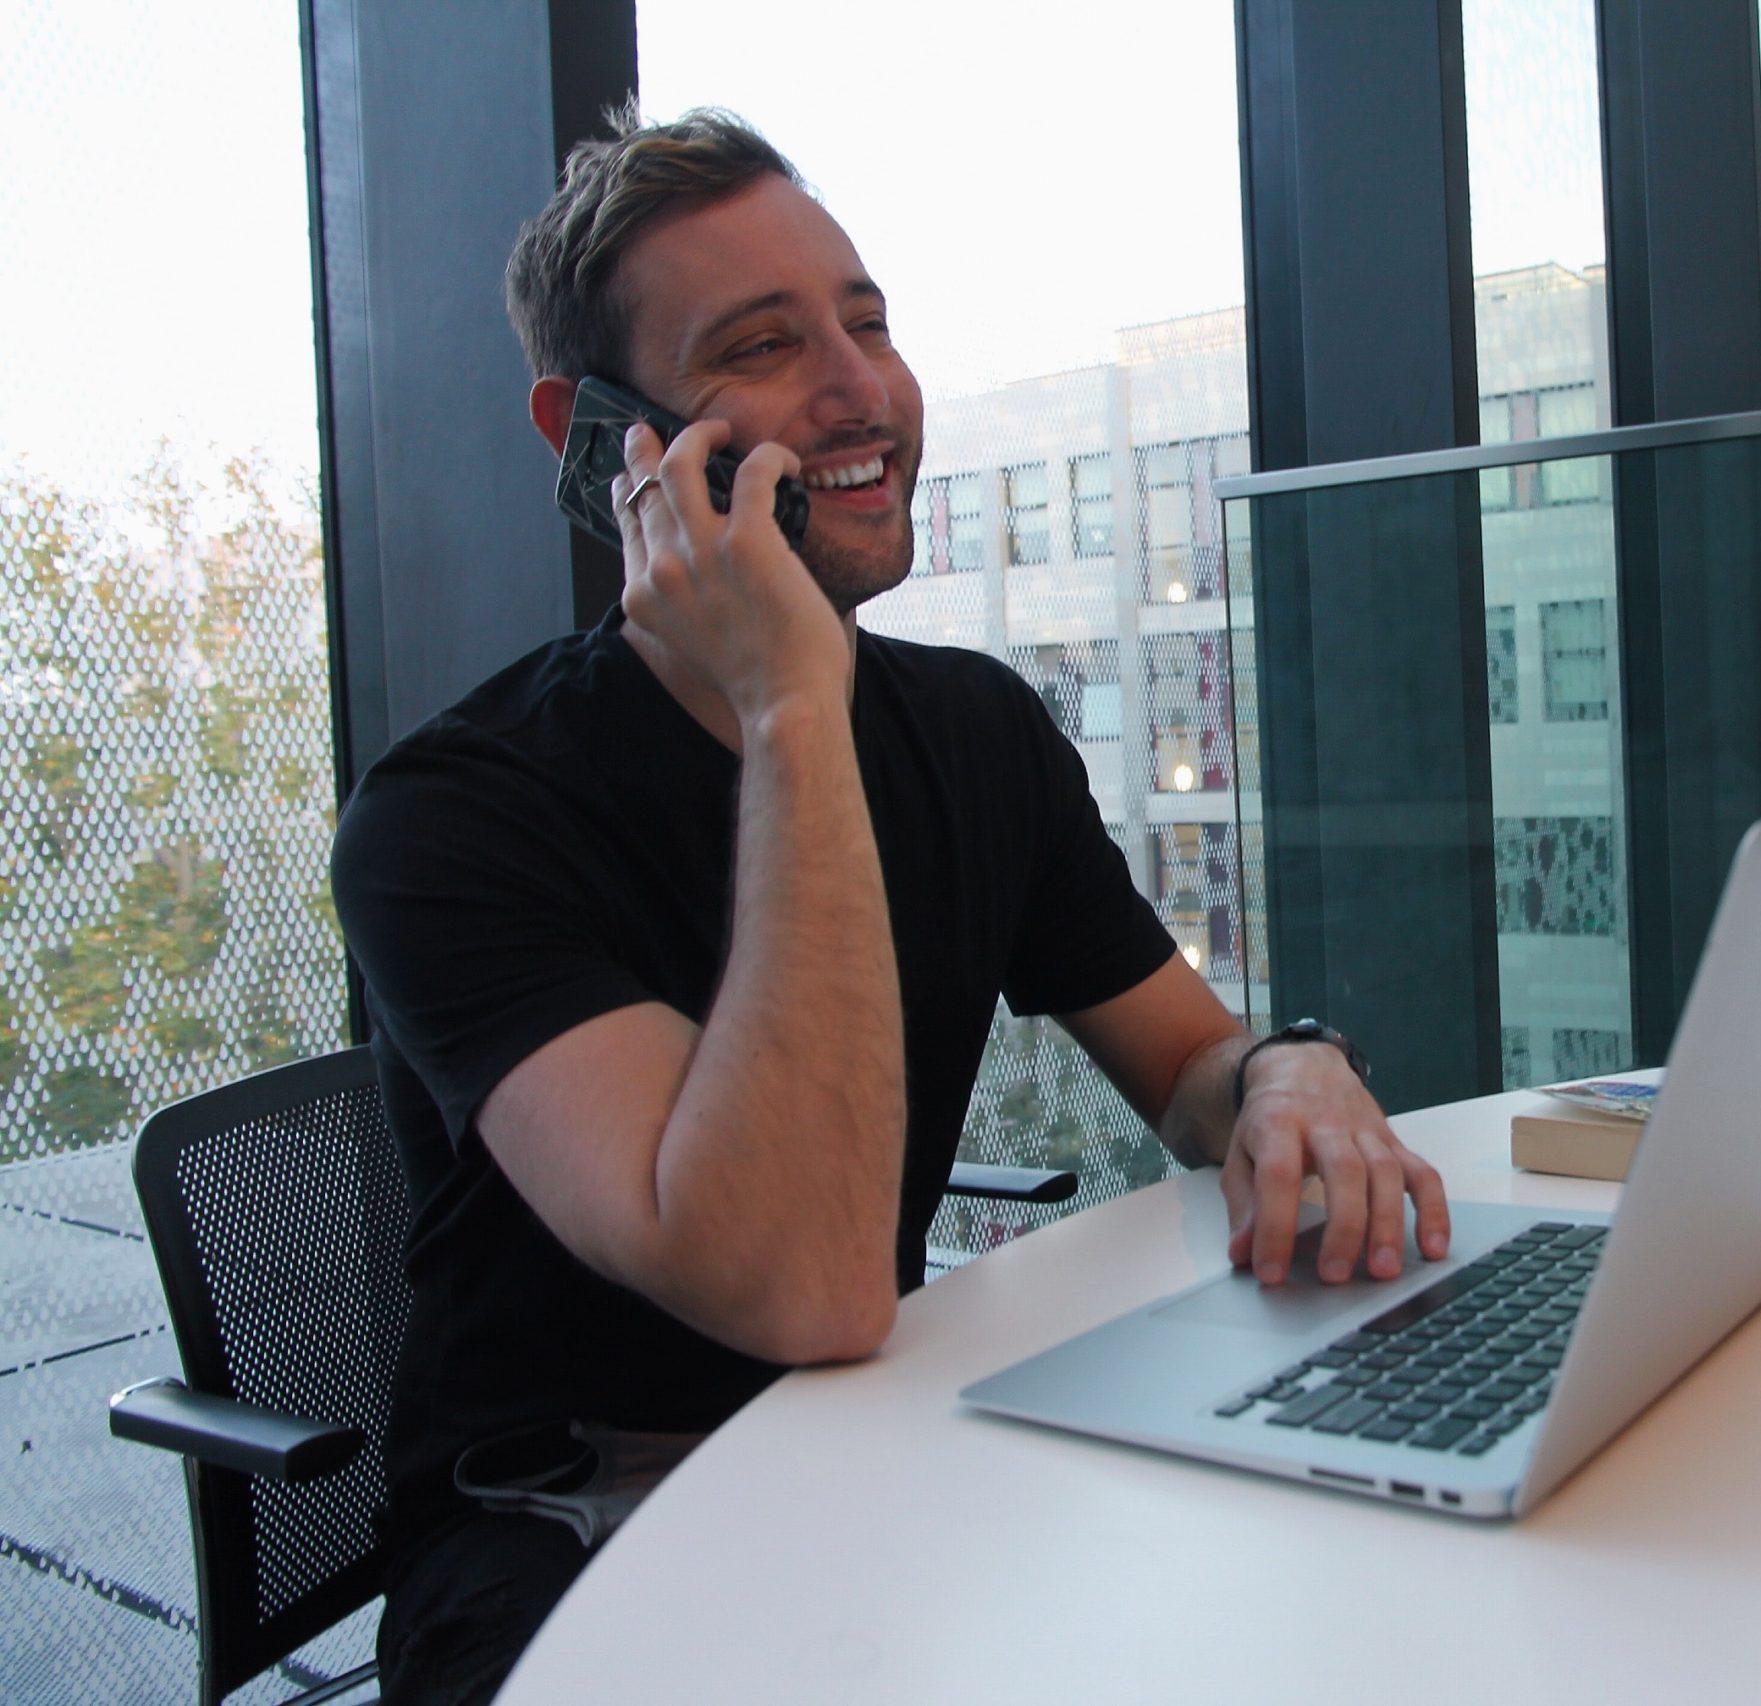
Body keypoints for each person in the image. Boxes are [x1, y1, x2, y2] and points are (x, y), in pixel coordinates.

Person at [330, 105, 1450, 1705]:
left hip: (881, 1449)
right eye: (766, 345)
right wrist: (792, 705)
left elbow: (1193, 1069)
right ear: (602, 439)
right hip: (574, 1533)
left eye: (869, 320)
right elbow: (801, 1280)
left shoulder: (977, 730)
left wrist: (1294, 1069)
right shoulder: (452, 817)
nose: (863, 393)